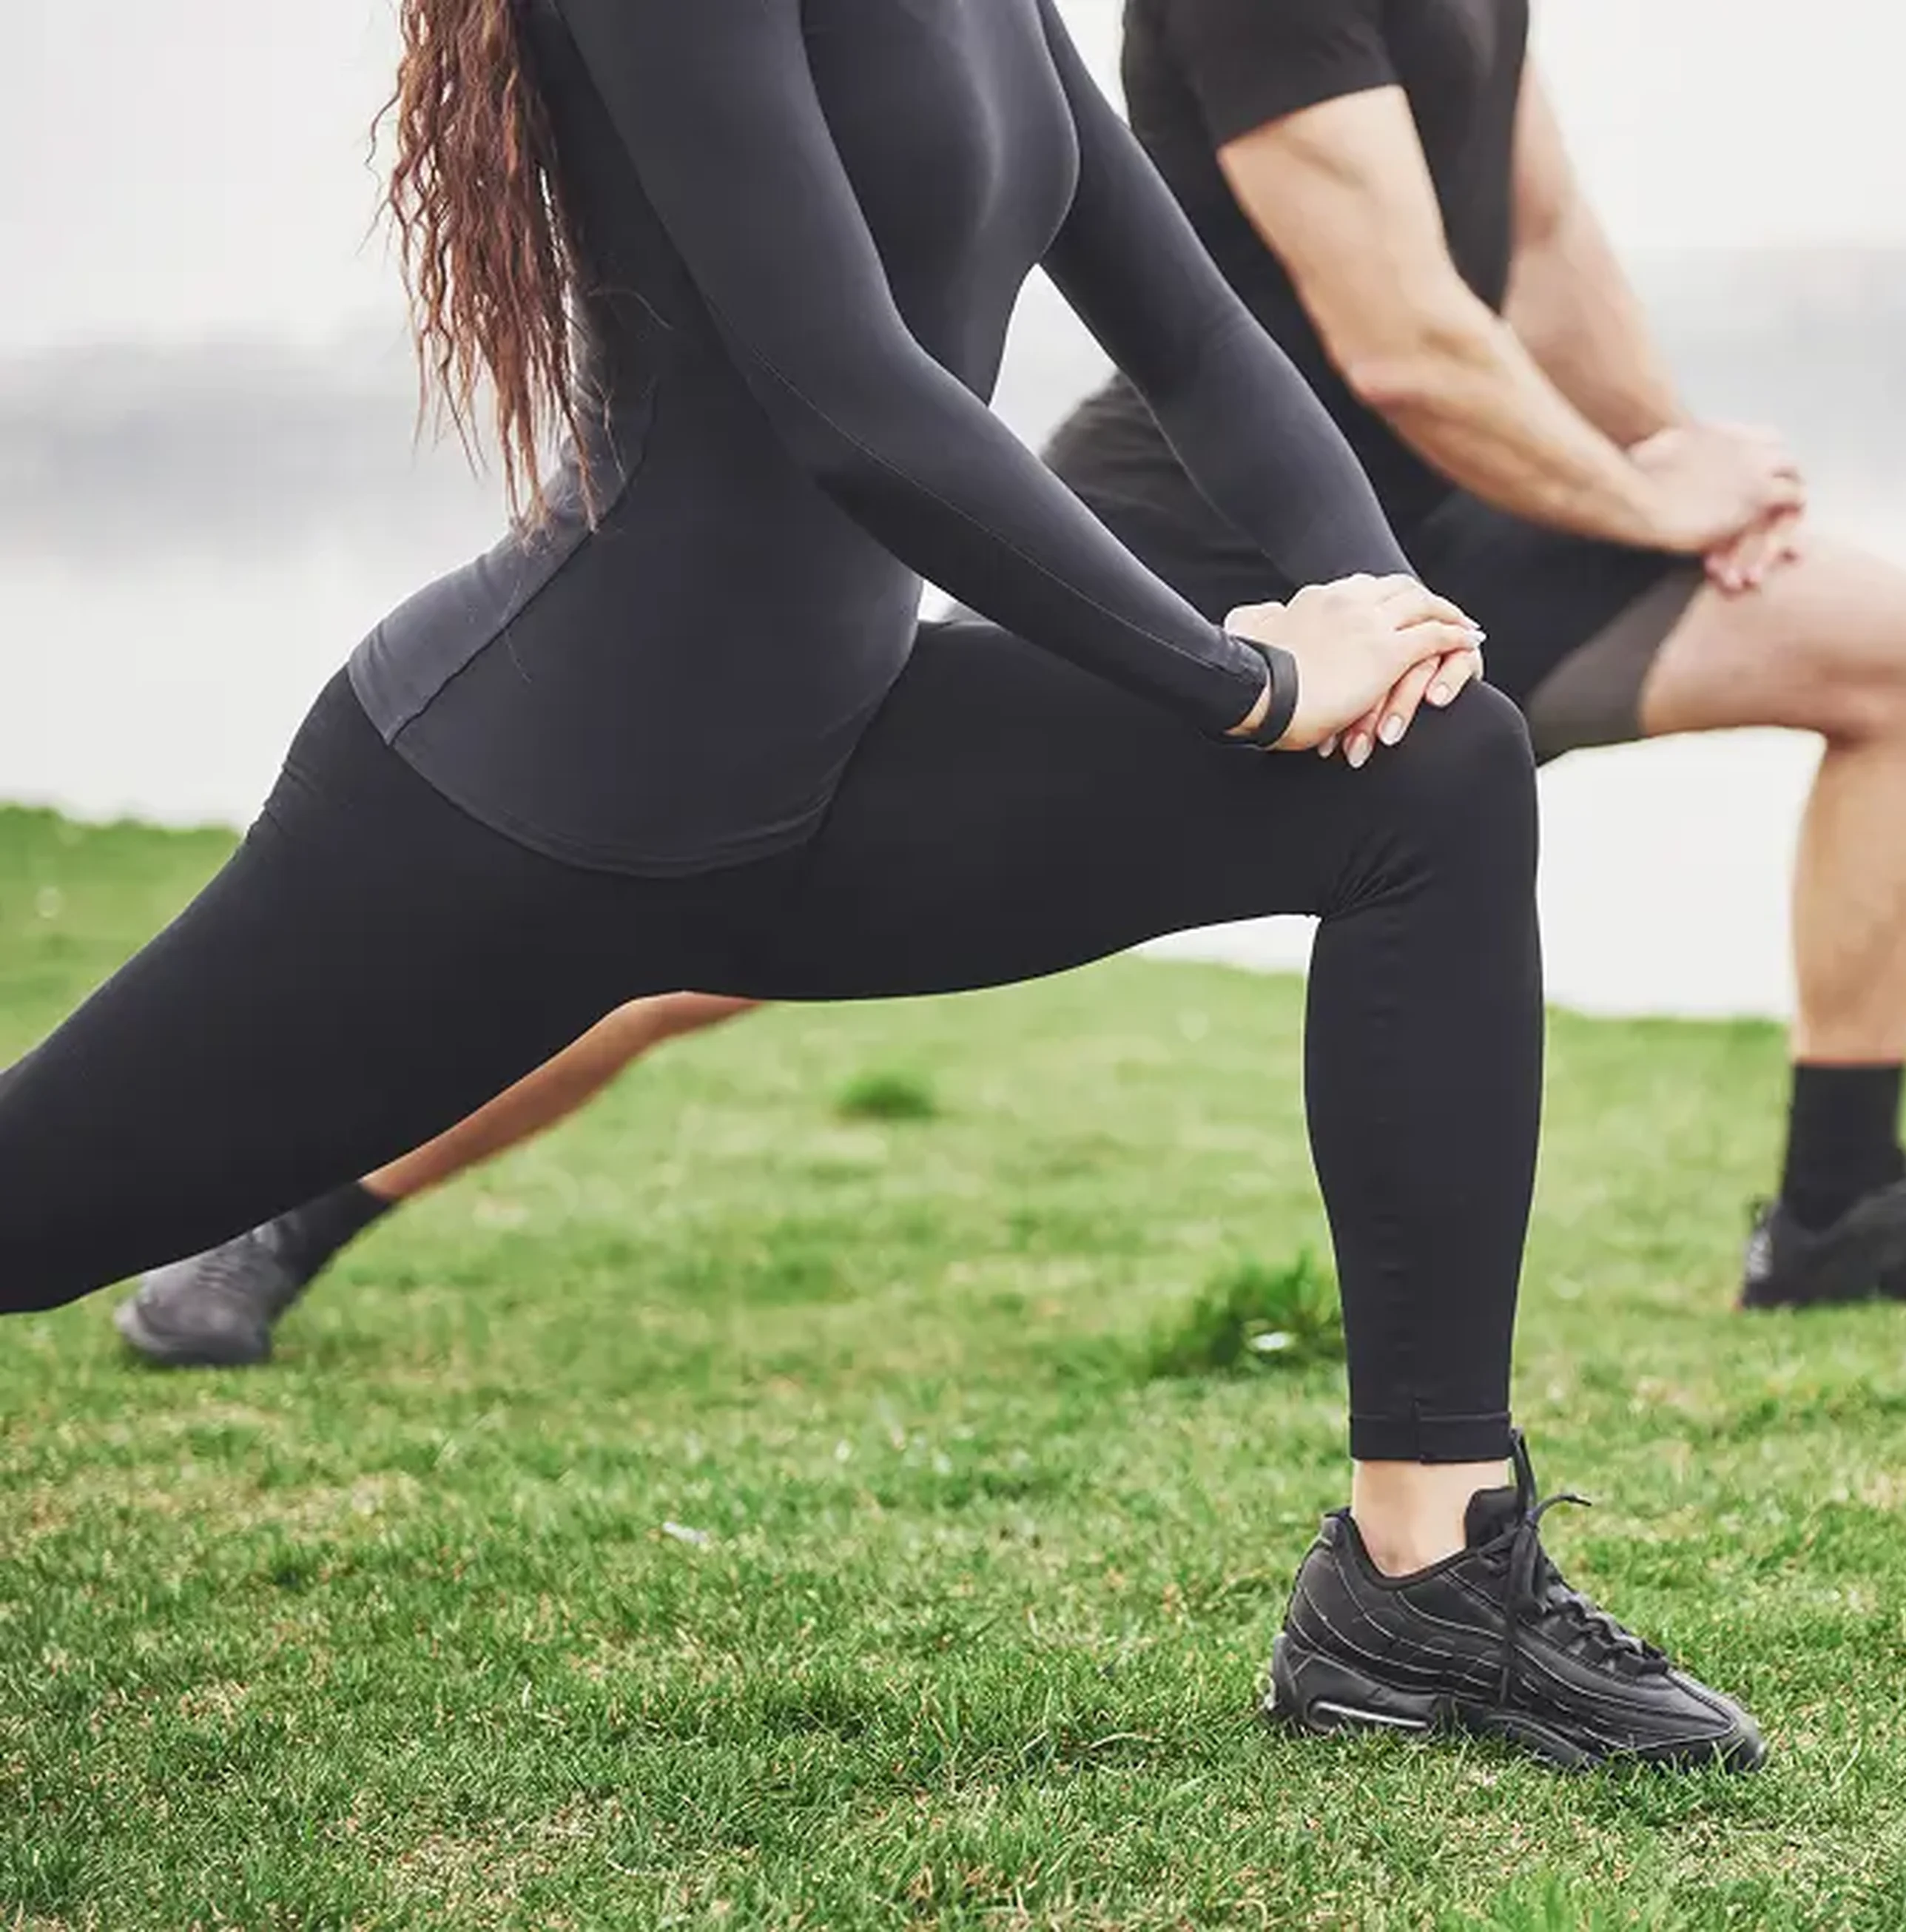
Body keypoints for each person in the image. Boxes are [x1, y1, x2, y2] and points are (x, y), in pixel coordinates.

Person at [10, 0, 1760, 1772]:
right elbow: (847, 392)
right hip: (518, 805)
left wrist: (1391, 626)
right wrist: (1241, 681)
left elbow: (1207, 344)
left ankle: (1427, 1588)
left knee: (1443, 780)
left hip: (830, 782)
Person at [118, 0, 1906, 1369]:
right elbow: (1398, 330)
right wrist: (1596, 503)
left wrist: (1677, 483)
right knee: (690, 944)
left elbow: (1551, 233)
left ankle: (1838, 1214)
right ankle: (302, 1209)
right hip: (1199, 540)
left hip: (1453, 520)